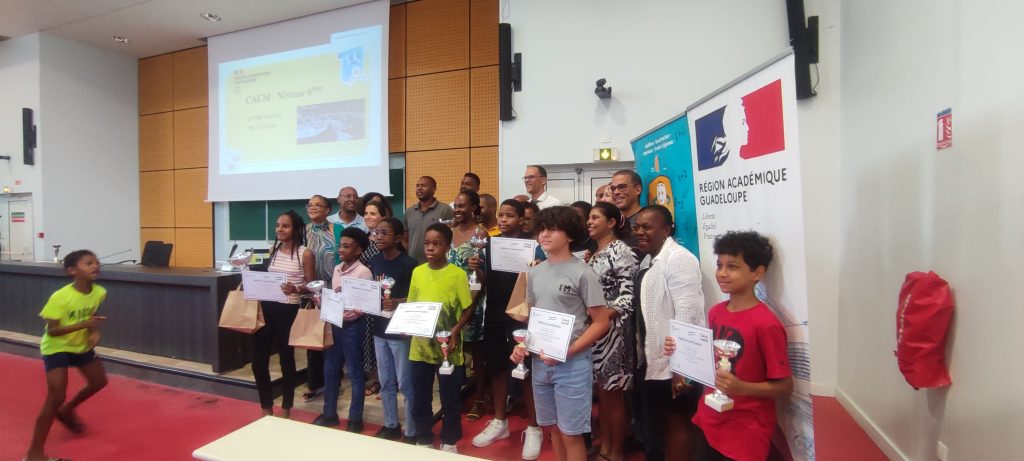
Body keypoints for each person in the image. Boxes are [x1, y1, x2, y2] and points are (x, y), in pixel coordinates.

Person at [667, 231, 793, 461]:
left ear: (757, 273)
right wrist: (680, 351)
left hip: (745, 428)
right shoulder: (716, 312)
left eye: (732, 267)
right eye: (719, 265)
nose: (722, 273)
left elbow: (784, 387)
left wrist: (742, 387)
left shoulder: (766, 324)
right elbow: (711, 362)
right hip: (709, 418)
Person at [511, 206, 613, 461]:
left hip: (572, 363)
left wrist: (570, 350)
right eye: (542, 229)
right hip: (540, 361)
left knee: (571, 433)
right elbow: (535, 318)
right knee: (553, 429)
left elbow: (601, 322)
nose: (544, 234)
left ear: (569, 235)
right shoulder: (535, 272)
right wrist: (522, 345)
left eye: (553, 229)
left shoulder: (583, 272)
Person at [469, 199, 544, 460]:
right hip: (495, 313)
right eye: (500, 215)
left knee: (526, 371)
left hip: (522, 316)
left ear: (522, 219)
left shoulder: (533, 245)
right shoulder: (490, 244)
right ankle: (500, 422)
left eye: (509, 215)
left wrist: (536, 268)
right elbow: (485, 280)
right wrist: (477, 271)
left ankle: (534, 427)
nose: (503, 219)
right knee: (497, 367)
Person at [633, 205, 705, 461]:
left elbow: (689, 315)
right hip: (653, 357)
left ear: (666, 230)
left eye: (647, 227)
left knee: (677, 421)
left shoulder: (679, 259)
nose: (639, 232)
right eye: (637, 227)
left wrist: (681, 368)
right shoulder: (648, 259)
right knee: (659, 423)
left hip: (676, 363)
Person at [25, 250, 109, 461]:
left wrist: (93, 332)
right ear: (72, 271)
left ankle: (67, 410)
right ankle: (34, 454)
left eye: (96, 262)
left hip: (79, 346)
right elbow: (52, 331)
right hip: (56, 347)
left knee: (99, 381)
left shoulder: (99, 292)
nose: (95, 265)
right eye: (88, 263)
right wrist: (84, 325)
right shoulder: (60, 297)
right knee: (56, 396)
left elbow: (91, 317)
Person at [408, 223, 474, 453]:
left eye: (437, 244)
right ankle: (423, 436)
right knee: (420, 397)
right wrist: (406, 324)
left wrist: (455, 331)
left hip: (449, 348)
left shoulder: (457, 274)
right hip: (420, 347)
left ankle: (450, 439)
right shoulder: (417, 272)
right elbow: (411, 306)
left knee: (450, 398)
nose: (430, 248)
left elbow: (468, 309)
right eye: (427, 243)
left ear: (447, 247)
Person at [585, 202, 639, 461]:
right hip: (595, 333)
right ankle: (605, 446)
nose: (589, 222)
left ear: (612, 222)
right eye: (588, 218)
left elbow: (627, 297)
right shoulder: (596, 252)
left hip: (613, 334)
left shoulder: (621, 251)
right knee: (603, 395)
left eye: (595, 217)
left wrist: (600, 319)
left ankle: (615, 452)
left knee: (613, 395)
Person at [254, 210, 315, 419]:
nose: (280, 229)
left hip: (288, 310)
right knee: (258, 361)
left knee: (286, 359)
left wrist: (296, 288)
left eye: (285, 226)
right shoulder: (273, 249)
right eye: (278, 225)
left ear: (296, 229)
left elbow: (312, 285)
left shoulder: (305, 253)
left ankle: (286, 407)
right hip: (266, 307)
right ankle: (266, 407)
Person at [314, 227, 373, 432]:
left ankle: (355, 419)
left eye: (346, 246)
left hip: (353, 326)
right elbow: (336, 297)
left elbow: (364, 305)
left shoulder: (363, 272)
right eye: (340, 245)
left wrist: (347, 307)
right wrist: (326, 301)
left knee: (355, 372)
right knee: (330, 369)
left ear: (358, 250)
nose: (341, 249)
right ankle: (329, 413)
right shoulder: (337, 268)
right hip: (335, 324)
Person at [368, 218, 419, 441]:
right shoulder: (374, 262)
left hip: (401, 332)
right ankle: (391, 424)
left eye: (384, 233)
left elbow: (418, 297)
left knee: (406, 383)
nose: (378, 237)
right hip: (379, 330)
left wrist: (397, 302)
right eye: (376, 233)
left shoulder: (409, 264)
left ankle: (412, 430)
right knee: (385, 381)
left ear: (398, 238)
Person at [447, 190, 488, 421]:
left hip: (473, 299)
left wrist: (477, 269)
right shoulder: (449, 232)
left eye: (462, 206)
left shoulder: (481, 234)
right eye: (456, 206)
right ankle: (454, 395)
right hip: (450, 301)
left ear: (474, 208)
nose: (458, 210)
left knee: (477, 353)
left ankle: (480, 398)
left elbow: (485, 275)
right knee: (452, 348)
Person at [301, 194, 334, 403]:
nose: (313, 208)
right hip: (310, 292)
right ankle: (314, 384)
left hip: (333, 291)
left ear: (328, 210)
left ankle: (333, 381)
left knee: (332, 339)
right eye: (310, 205)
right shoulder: (302, 232)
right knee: (313, 338)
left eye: (318, 205)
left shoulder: (335, 230)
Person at [403, 176, 454, 264]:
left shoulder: (445, 210)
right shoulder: (409, 212)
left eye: (423, 185)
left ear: (434, 189)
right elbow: (404, 238)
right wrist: (410, 253)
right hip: (413, 263)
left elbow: (452, 237)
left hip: (437, 263)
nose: (419, 188)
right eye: (417, 185)